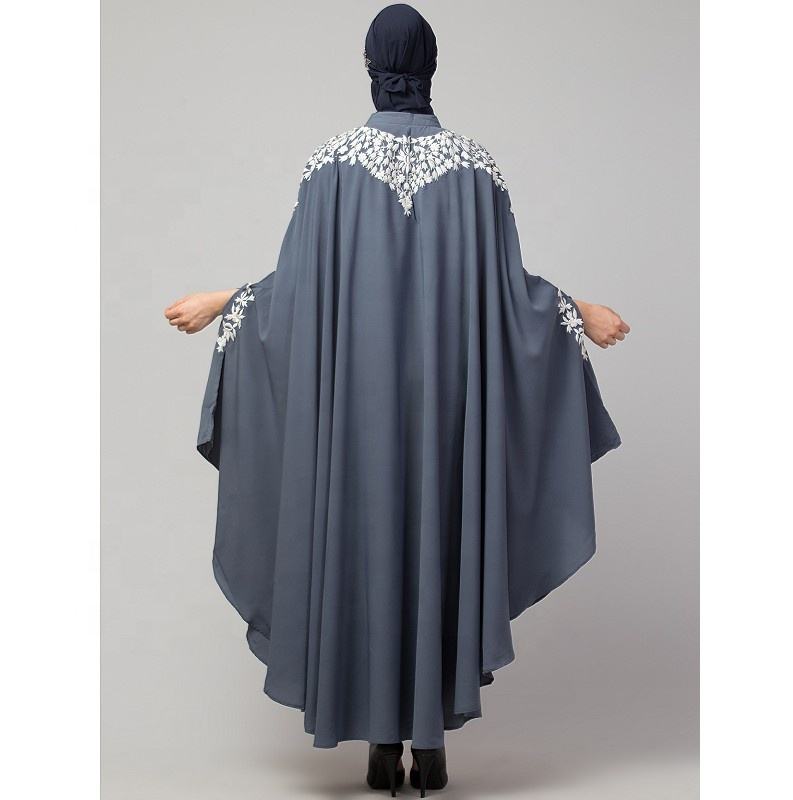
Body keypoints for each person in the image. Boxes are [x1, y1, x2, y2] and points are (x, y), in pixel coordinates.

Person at [165, 4, 628, 796]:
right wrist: (576, 310)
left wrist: (226, 300)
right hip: (449, 414)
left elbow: (295, 294)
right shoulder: (476, 169)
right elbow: (508, 295)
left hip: (356, 417)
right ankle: (430, 746)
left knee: (368, 545)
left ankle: (384, 745)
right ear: (432, 66)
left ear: (369, 66)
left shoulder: (331, 167)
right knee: (438, 545)